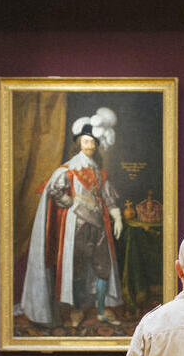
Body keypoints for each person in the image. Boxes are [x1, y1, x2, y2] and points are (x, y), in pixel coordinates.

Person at [20, 116, 124, 327]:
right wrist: (68, 201)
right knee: (76, 269)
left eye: (93, 142)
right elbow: (55, 190)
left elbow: (108, 197)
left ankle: (102, 310)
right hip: (76, 225)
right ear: (78, 143)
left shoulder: (100, 172)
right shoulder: (68, 170)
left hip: (98, 226)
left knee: (102, 267)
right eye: (86, 141)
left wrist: (118, 217)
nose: (90, 146)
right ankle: (75, 311)